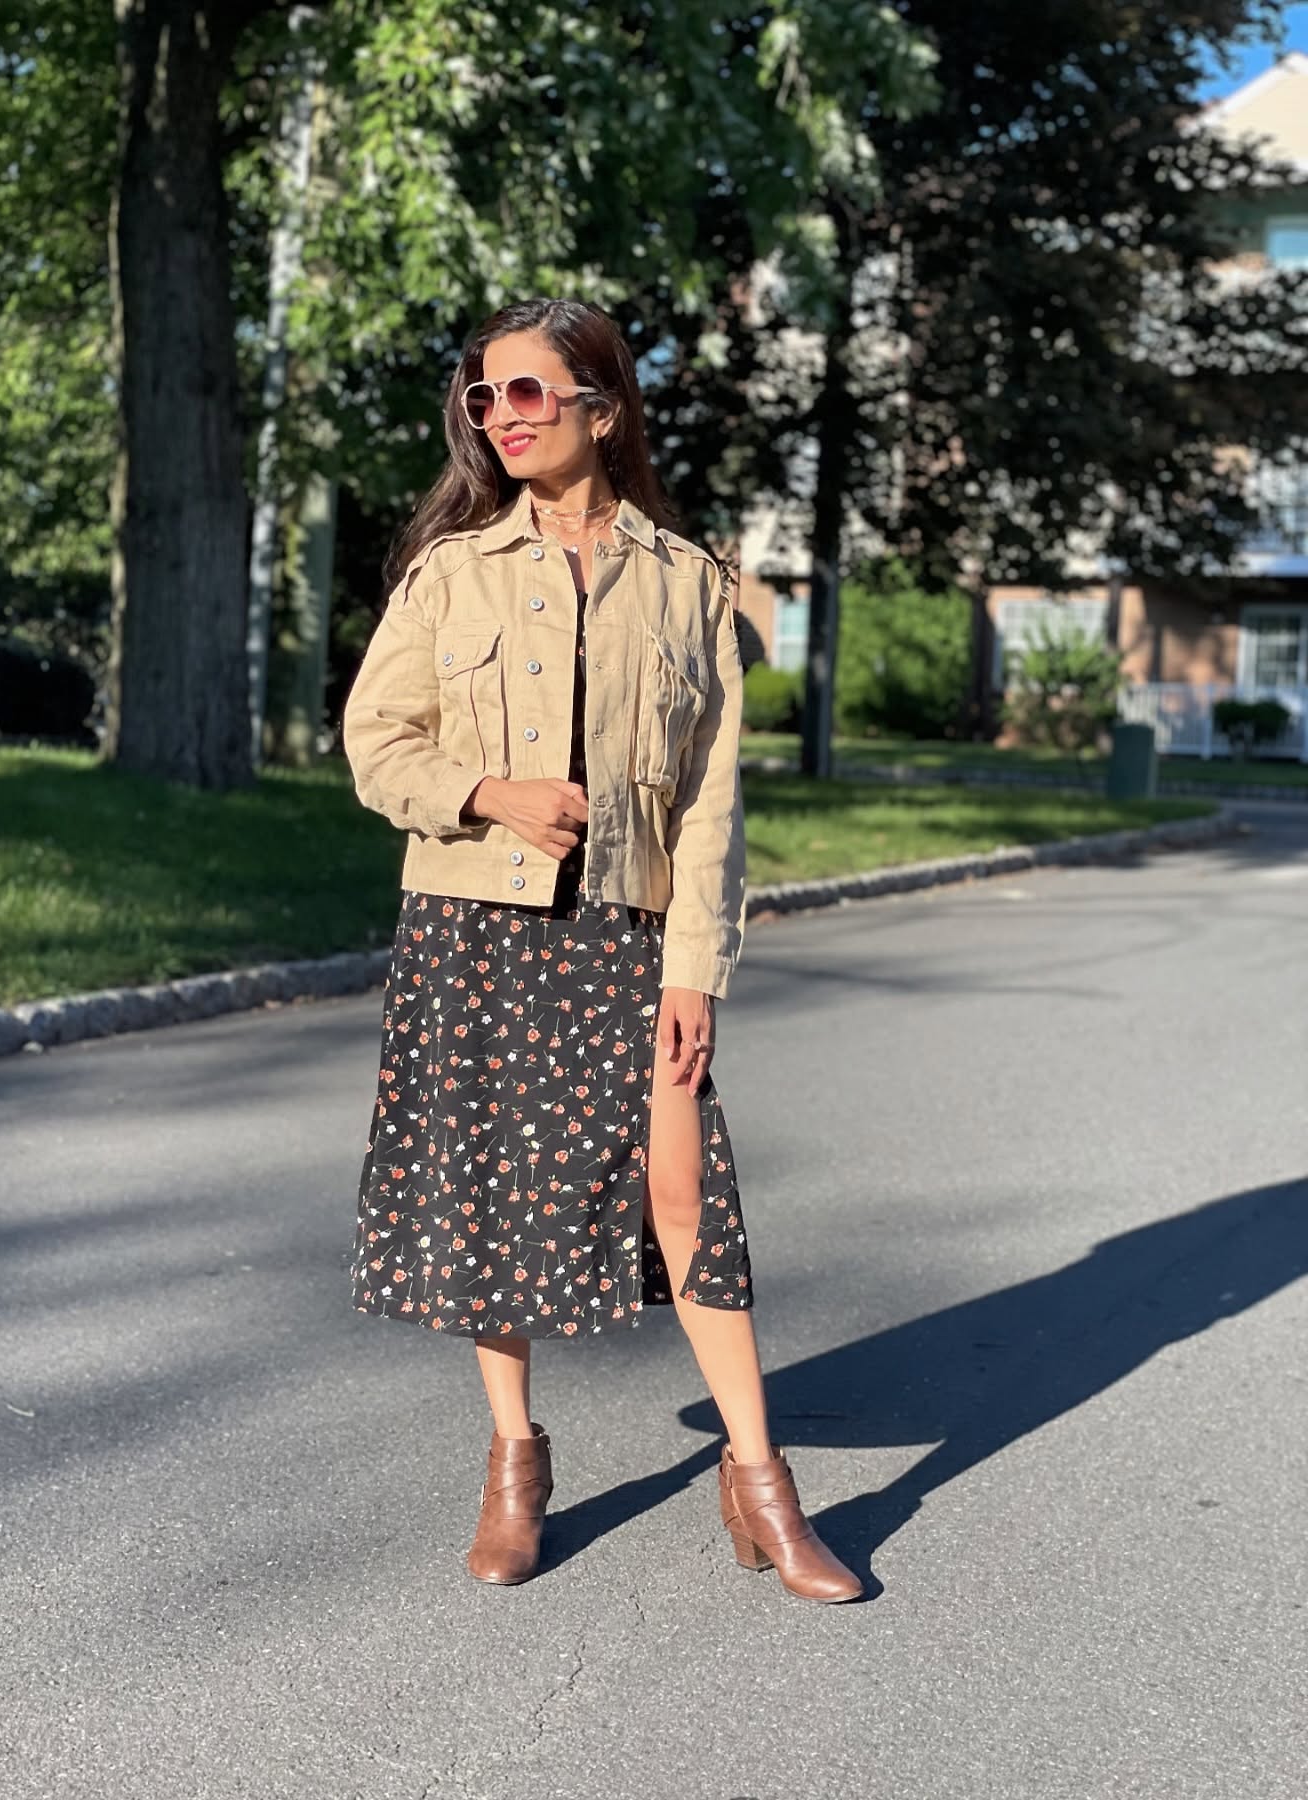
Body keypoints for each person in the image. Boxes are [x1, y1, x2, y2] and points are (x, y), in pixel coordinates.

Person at [341, 297, 860, 1603]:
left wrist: (697, 970)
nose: (500, 417)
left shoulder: (689, 585)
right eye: (484, 399)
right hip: (474, 926)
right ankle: (515, 1461)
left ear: (602, 410)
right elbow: (376, 744)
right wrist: (489, 794)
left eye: (528, 394)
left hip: (630, 934)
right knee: (492, 1201)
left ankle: (760, 1484)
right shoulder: (449, 575)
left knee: (689, 1194)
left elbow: (716, 802)